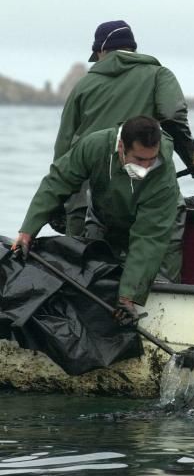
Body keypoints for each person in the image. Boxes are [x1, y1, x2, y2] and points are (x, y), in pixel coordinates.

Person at [12, 116, 180, 325]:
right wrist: (27, 231)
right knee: (92, 270)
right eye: (138, 160)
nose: (145, 168)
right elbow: (57, 182)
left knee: (149, 282)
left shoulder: (163, 176)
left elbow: (149, 238)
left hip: (159, 224)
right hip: (104, 216)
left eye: (151, 160)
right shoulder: (95, 145)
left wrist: (128, 297)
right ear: (120, 146)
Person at [54, 19, 194, 236]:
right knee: (149, 257)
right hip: (138, 194)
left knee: (82, 262)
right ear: (133, 50)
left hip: (85, 197)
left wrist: (58, 198)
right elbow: (172, 117)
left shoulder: (83, 85)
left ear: (100, 51)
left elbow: (63, 145)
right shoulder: (159, 75)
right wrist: (192, 156)